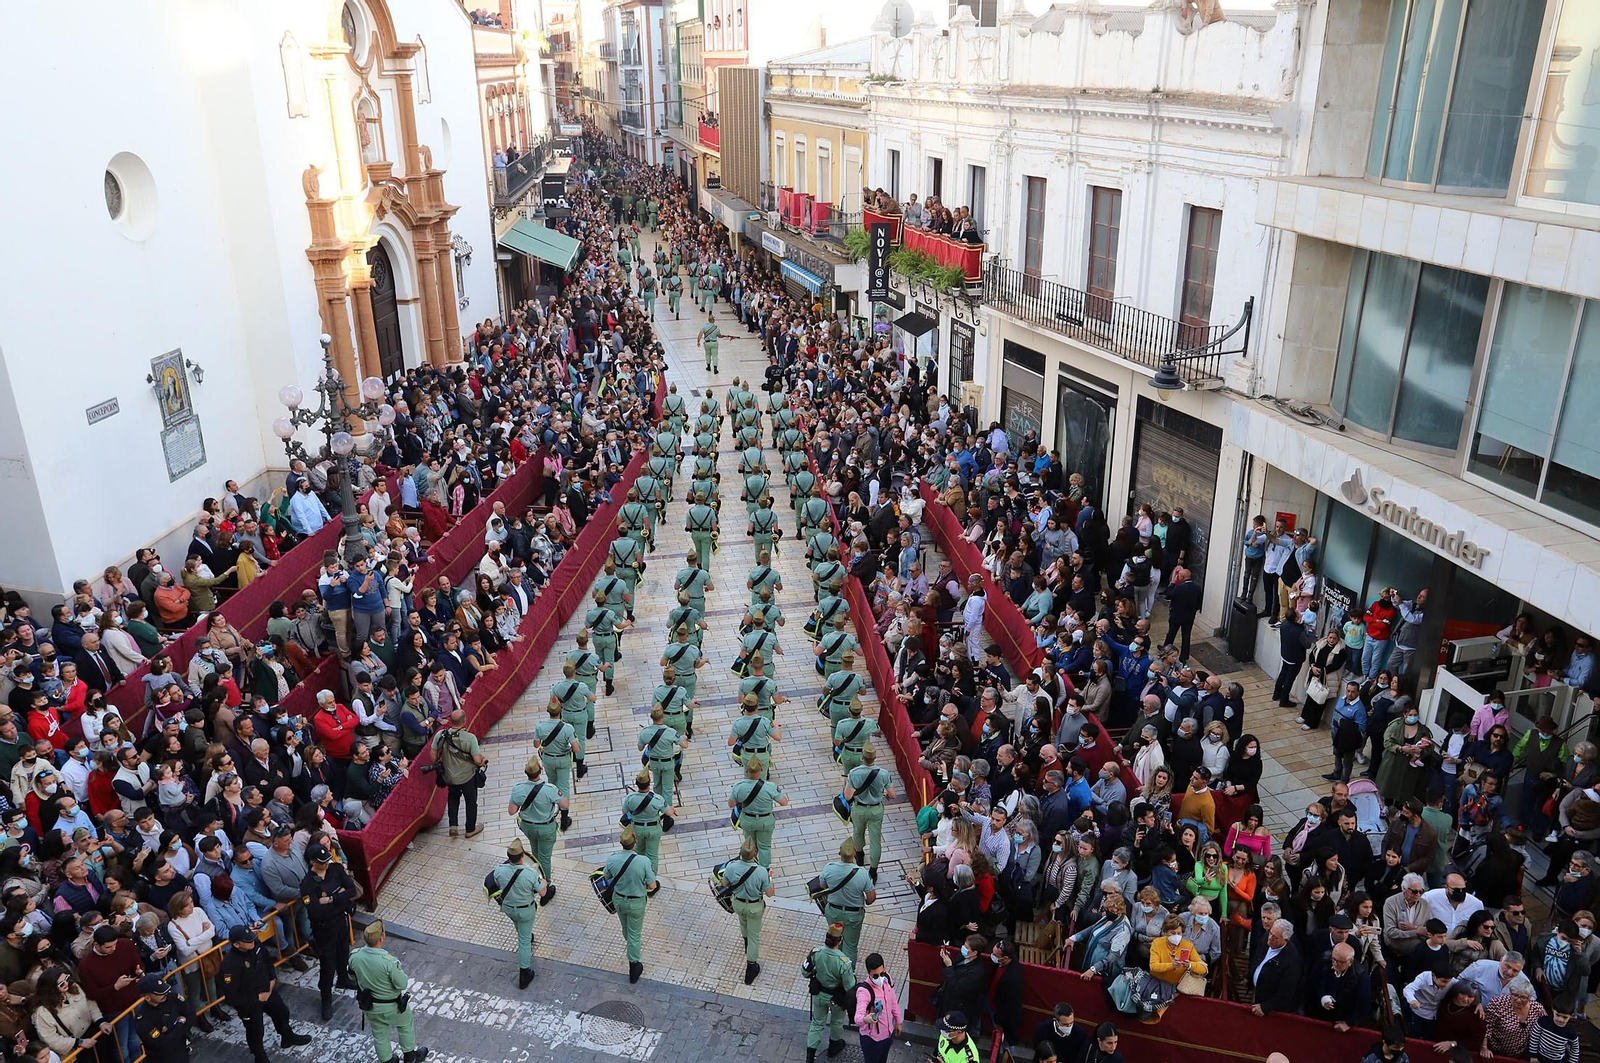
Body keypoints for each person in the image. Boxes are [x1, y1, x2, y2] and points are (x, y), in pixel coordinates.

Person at [218, 924, 313, 1063]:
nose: (252, 941)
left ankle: (287, 1036)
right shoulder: (229, 964)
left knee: (282, 1012)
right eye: (247, 940)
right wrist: (256, 998)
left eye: (251, 938)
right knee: (255, 1031)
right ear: (237, 944)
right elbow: (232, 998)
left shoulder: (254, 944)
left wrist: (272, 978)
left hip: (266, 990)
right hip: (249, 1002)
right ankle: (260, 1057)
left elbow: (267, 960)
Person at [348, 920, 431, 1063]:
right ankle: (410, 1056)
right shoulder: (388, 962)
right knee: (405, 1025)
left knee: (379, 1034)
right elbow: (401, 984)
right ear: (382, 937)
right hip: (392, 1006)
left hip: (370, 1005)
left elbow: (351, 976)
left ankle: (387, 1061)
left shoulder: (355, 956)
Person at [299, 840, 358, 1020]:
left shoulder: (336, 870)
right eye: (322, 861)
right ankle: (326, 999)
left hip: (340, 921)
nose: (326, 864)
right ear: (312, 862)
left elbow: (351, 890)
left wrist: (331, 899)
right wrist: (339, 897)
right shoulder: (308, 884)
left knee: (343, 953)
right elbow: (316, 910)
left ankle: (343, 978)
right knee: (327, 965)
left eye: (327, 860)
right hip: (323, 929)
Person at [484, 838, 550, 989]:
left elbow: (498, 884)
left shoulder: (499, 870)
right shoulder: (530, 874)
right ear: (522, 856)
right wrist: (544, 882)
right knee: (524, 942)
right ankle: (524, 974)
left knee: (519, 925)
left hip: (508, 907)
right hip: (525, 910)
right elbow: (543, 892)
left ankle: (525, 934)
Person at [604, 826, 657, 984]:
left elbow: (606, 876)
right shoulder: (643, 861)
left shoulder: (612, 859)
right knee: (635, 933)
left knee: (626, 928)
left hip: (618, 899)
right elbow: (652, 885)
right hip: (636, 902)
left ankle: (631, 946)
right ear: (635, 842)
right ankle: (633, 966)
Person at [718, 838, 774, 985]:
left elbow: (724, 884)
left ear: (740, 853)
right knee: (754, 935)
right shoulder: (761, 871)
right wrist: (771, 879)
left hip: (737, 903)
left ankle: (746, 943)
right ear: (755, 853)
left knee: (743, 923)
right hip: (755, 906)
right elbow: (769, 893)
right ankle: (751, 967)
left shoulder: (731, 867)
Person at [508, 756, 565, 886]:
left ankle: (536, 875)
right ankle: (545, 883)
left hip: (528, 827)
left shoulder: (518, 789)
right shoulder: (550, 789)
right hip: (546, 828)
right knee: (545, 858)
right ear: (540, 770)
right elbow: (564, 804)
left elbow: (512, 811)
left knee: (535, 851)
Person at [431, 708, 486, 839]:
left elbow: (433, 753)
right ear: (464, 721)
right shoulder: (470, 738)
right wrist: (482, 762)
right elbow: (477, 760)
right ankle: (470, 829)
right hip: (467, 776)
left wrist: (438, 765)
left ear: (450, 721)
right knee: (471, 802)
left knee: (453, 798)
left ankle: (453, 826)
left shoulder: (441, 735)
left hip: (449, 776)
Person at [804, 923, 854, 1063]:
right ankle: (834, 1046)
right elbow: (850, 985)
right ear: (840, 940)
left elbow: (804, 971)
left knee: (817, 1023)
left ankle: (810, 1056)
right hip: (836, 998)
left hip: (818, 994)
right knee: (837, 1022)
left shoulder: (816, 953)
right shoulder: (844, 962)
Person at [133, 973, 199, 1063]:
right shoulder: (143, 1020)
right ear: (147, 998)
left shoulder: (172, 998)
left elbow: (191, 1015)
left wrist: (174, 1034)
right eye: (160, 993)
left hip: (181, 1050)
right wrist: (180, 1024)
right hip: (162, 1058)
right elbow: (163, 1044)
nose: (165, 994)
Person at [854, 952, 903, 1063]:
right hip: (872, 1040)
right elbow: (858, 1017)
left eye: (881, 973)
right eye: (875, 976)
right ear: (869, 973)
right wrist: (866, 1019)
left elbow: (893, 1001)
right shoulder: (864, 991)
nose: (880, 978)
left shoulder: (887, 979)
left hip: (887, 1035)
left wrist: (898, 1021)